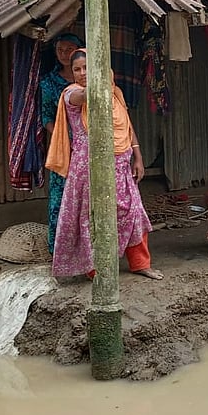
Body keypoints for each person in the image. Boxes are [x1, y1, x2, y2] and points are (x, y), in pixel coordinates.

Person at [45, 49, 162, 280]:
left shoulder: (115, 93)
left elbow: (126, 126)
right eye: (76, 69)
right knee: (93, 216)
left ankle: (140, 263)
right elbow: (88, 95)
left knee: (133, 212)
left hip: (120, 164)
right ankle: (95, 270)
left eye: (87, 67)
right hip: (88, 167)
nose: (81, 73)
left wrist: (137, 157)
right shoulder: (71, 94)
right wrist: (99, 77)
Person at [39, 32, 82, 254]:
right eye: (60, 50)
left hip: (88, 146)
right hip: (63, 146)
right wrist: (63, 137)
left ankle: (85, 247)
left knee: (85, 196)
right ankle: (58, 249)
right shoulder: (48, 83)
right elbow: (45, 116)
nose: (64, 54)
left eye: (69, 49)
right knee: (61, 195)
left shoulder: (87, 80)